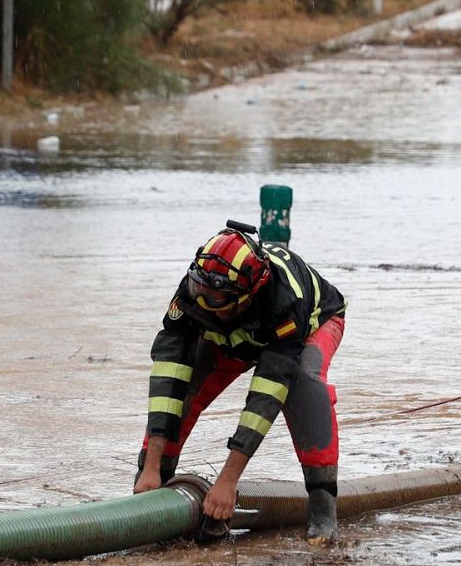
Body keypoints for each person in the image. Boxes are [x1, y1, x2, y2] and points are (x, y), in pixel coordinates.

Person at [132, 221, 347, 543]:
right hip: (234, 333)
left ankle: (322, 511)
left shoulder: (285, 304)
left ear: (247, 294)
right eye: (199, 293)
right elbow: (168, 375)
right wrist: (150, 465)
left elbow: (266, 398)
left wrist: (227, 481)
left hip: (309, 325)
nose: (204, 303)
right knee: (185, 388)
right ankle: (154, 487)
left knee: (303, 382)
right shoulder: (195, 292)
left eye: (214, 299)